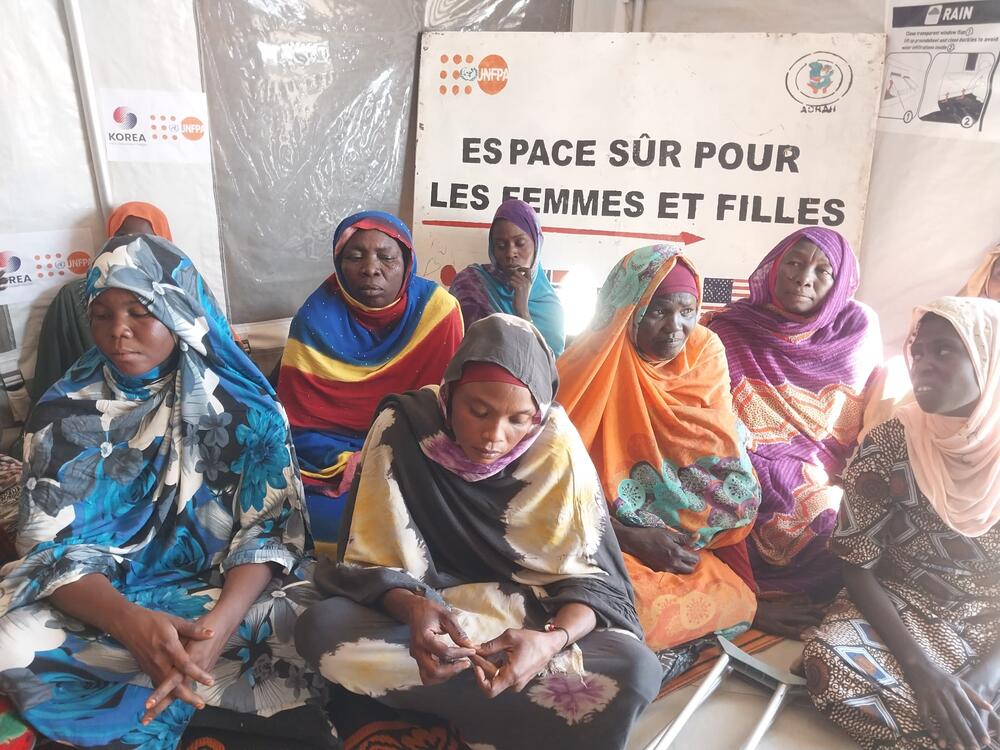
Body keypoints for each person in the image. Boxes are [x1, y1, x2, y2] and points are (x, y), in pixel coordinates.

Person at [0, 235, 326, 748]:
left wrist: (217, 626)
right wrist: (133, 625)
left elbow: (269, 532)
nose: (118, 332)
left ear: (177, 311)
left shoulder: (245, 408)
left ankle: (174, 674)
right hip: (109, 598)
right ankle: (194, 686)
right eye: (101, 315)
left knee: (306, 618)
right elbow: (48, 551)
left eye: (139, 311)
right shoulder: (63, 412)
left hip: (217, 594)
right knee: (13, 637)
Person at [295, 314, 661, 750]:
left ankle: (451, 693)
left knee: (637, 669)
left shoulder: (556, 443)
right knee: (320, 628)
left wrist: (549, 643)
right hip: (425, 614)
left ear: (539, 415)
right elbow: (366, 563)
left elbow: (595, 582)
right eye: (478, 411)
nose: (494, 437)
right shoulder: (404, 427)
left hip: (530, 616)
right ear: (449, 394)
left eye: (518, 420)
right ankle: (518, 702)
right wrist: (412, 609)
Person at [804, 296, 1000, 750]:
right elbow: (855, 562)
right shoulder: (893, 441)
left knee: (971, 707)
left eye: (945, 350)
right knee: (829, 662)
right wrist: (921, 669)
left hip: (992, 622)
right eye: (919, 351)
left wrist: (988, 680)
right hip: (905, 608)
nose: (923, 364)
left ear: (987, 358)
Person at [557, 245, 761, 654]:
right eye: (657, 311)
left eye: (687, 311)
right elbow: (548, 489)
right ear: (626, 310)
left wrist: (679, 534)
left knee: (738, 600)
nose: (676, 327)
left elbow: (721, 459)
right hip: (600, 534)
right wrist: (631, 537)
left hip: (683, 537)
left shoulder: (704, 353)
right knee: (635, 613)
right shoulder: (585, 368)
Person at [706, 227, 882, 638]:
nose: (804, 278)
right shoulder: (730, 327)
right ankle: (739, 597)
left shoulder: (855, 328)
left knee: (839, 524)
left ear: (841, 283)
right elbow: (704, 405)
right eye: (795, 263)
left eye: (823, 271)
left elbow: (862, 411)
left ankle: (789, 599)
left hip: (822, 462)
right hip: (741, 450)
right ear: (774, 267)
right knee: (726, 495)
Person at [276, 211, 463, 555]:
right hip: (333, 456)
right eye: (355, 257)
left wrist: (391, 456)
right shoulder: (316, 316)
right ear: (338, 262)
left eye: (386, 257)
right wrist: (356, 461)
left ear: (407, 262)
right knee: (316, 517)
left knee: (443, 509)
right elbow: (296, 424)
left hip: (412, 447)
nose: (371, 269)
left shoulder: (438, 312)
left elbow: (449, 409)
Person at [30, 201, 173, 401]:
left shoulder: (180, 296)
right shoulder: (73, 296)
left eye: (140, 312)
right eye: (102, 315)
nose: (132, 245)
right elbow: (52, 367)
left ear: (165, 243)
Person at [449, 199, 565, 356]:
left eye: (520, 243)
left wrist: (522, 312)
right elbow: (451, 349)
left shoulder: (550, 308)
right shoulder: (470, 285)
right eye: (501, 246)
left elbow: (549, 371)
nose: (510, 254)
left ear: (537, 243)